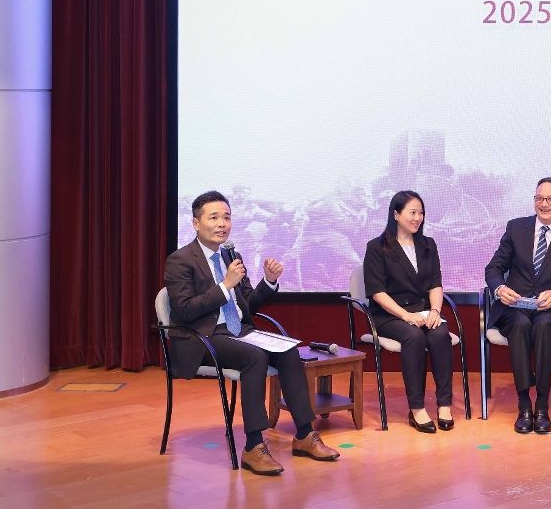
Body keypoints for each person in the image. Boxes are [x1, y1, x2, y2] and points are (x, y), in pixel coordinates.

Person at [164, 190, 339, 475]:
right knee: (254, 357)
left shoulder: (231, 255)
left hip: (238, 332)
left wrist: (269, 282)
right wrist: (224, 285)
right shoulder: (180, 260)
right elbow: (184, 311)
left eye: (226, 217)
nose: (222, 224)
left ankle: (305, 435)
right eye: (214, 218)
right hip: (202, 337)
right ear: (196, 223)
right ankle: (253, 447)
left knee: (288, 351)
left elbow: (247, 305)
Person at [484, 177, 551, 434]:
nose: (544, 204)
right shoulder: (516, 228)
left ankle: (542, 406)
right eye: (539, 198)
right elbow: (494, 268)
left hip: (547, 308)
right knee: (519, 325)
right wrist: (499, 289)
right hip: (514, 307)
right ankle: (524, 406)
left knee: (542, 327)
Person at [362, 190, 456, 433]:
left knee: (440, 334)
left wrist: (435, 311)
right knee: (413, 336)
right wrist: (406, 316)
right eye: (412, 212)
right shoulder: (377, 247)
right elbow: (377, 293)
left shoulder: (428, 245)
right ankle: (417, 408)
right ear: (396, 214)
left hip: (422, 311)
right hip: (389, 314)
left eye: (421, 213)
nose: (418, 218)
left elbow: (435, 284)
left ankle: (444, 404)